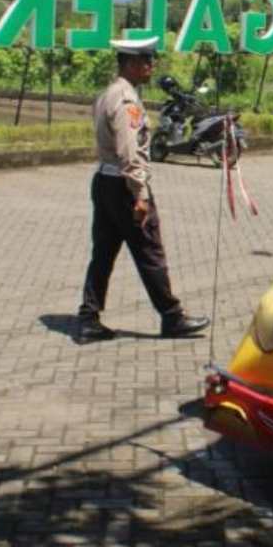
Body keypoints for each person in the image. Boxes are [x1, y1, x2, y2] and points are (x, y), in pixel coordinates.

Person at [76, 38, 211, 342]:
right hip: (124, 186)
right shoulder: (126, 100)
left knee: (103, 253)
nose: (151, 67)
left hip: (105, 181)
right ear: (131, 64)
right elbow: (129, 150)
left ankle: (88, 317)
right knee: (149, 251)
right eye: (147, 61)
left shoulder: (108, 93)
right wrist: (140, 193)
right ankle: (172, 318)